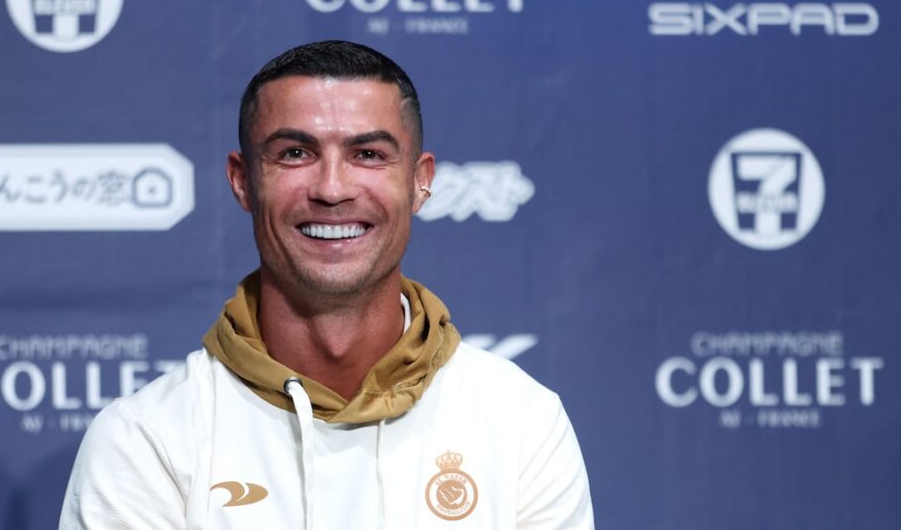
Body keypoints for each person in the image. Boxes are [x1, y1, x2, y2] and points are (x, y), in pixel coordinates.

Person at [59, 40, 594, 529]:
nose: (332, 189)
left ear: (420, 181)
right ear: (243, 181)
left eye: (368, 154)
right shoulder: (146, 441)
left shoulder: (521, 422)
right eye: (295, 153)